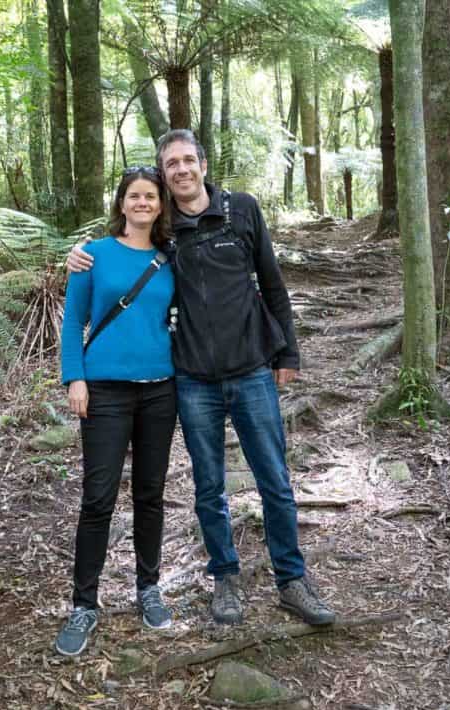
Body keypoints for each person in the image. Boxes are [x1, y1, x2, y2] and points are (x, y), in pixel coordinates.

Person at [67, 130, 334, 627]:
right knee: (209, 487)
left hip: (253, 368)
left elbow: (272, 283)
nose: (182, 170)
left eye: (189, 160)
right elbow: (120, 251)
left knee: (274, 480)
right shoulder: (164, 234)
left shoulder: (243, 210)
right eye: (172, 164)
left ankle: (292, 580)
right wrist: (78, 254)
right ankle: (225, 579)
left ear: (204, 164)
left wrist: (287, 354)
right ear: (163, 174)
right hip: (191, 380)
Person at [55, 166, 178, 656]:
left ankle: (148, 588)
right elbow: (72, 322)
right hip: (103, 391)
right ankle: (84, 603)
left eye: (151, 196)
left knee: (150, 493)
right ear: (122, 204)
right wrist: (74, 377)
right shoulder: (93, 256)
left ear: (161, 205)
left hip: (160, 390)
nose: (143, 203)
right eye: (135, 196)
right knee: (98, 498)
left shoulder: (172, 259)